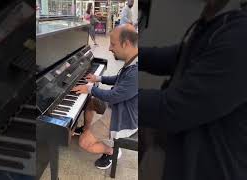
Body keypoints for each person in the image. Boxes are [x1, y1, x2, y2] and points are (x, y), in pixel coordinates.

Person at [139, 0, 247, 180]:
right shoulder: (222, 21)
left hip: (212, 168)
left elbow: (172, 110)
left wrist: (118, 97)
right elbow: (182, 57)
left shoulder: (240, 36)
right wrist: (132, 53)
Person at [72, 24, 138, 169]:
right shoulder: (133, 59)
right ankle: (87, 129)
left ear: (126, 44)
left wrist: (90, 88)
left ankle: (112, 152)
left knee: (84, 142)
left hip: (123, 116)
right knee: (91, 102)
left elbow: (113, 96)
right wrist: (99, 79)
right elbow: (119, 79)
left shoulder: (136, 71)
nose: (109, 48)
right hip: (119, 105)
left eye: (113, 44)